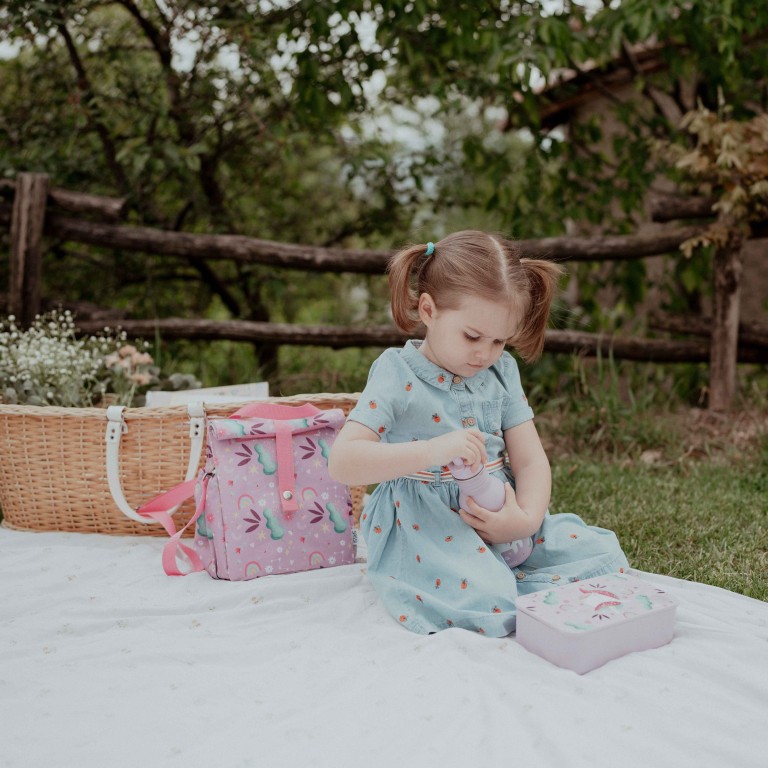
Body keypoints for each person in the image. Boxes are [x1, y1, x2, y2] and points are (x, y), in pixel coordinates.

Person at [329, 230, 628, 636]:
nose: (484, 353)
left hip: (501, 510)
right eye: (472, 336)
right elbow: (343, 462)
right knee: (490, 601)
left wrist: (523, 520)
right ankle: (495, 580)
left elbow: (530, 460)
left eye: (499, 341)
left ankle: (504, 564)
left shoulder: (501, 372)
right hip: (427, 524)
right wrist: (430, 451)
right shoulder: (396, 373)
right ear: (429, 310)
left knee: (603, 555)